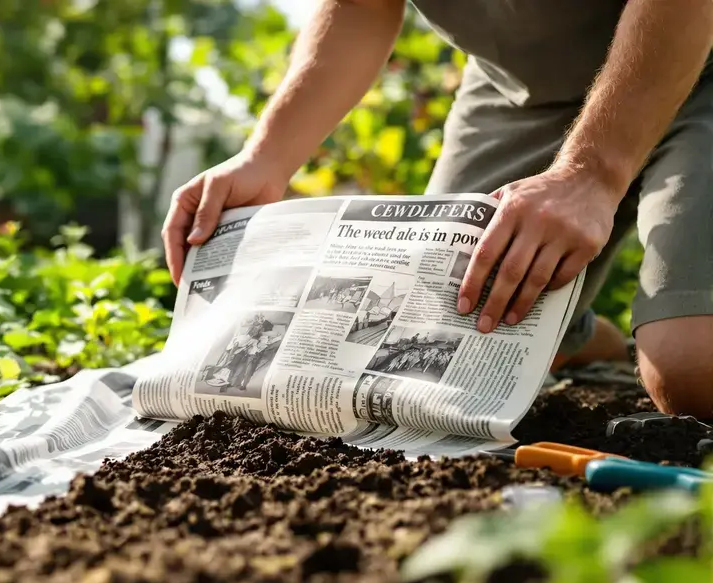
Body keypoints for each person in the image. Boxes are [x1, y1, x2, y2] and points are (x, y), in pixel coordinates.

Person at [162, 0, 713, 417]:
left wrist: (591, 174)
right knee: (429, 338)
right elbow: (361, 7)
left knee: (694, 371)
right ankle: (578, 335)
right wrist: (265, 158)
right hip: (525, 92)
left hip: (696, 52)